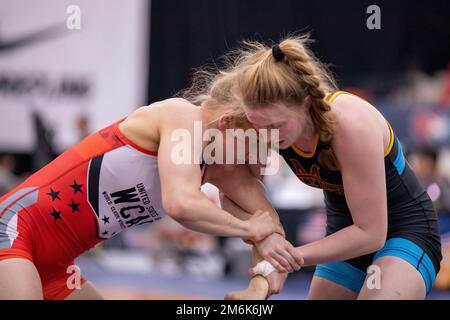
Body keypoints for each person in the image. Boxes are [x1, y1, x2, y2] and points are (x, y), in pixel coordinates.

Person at [0, 88, 296, 299]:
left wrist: (257, 288)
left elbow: (270, 230)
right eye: (253, 143)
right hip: (14, 229)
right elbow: (181, 204)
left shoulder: (225, 168)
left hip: (57, 266)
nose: (258, 158)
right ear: (228, 123)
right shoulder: (181, 116)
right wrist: (245, 227)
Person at [215, 35, 442, 300]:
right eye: (258, 127)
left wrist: (292, 256)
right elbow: (231, 193)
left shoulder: (350, 125)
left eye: (275, 127)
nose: (266, 138)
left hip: (404, 232)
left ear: (306, 104)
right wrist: (264, 239)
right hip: (345, 235)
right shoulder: (262, 120)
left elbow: (372, 234)